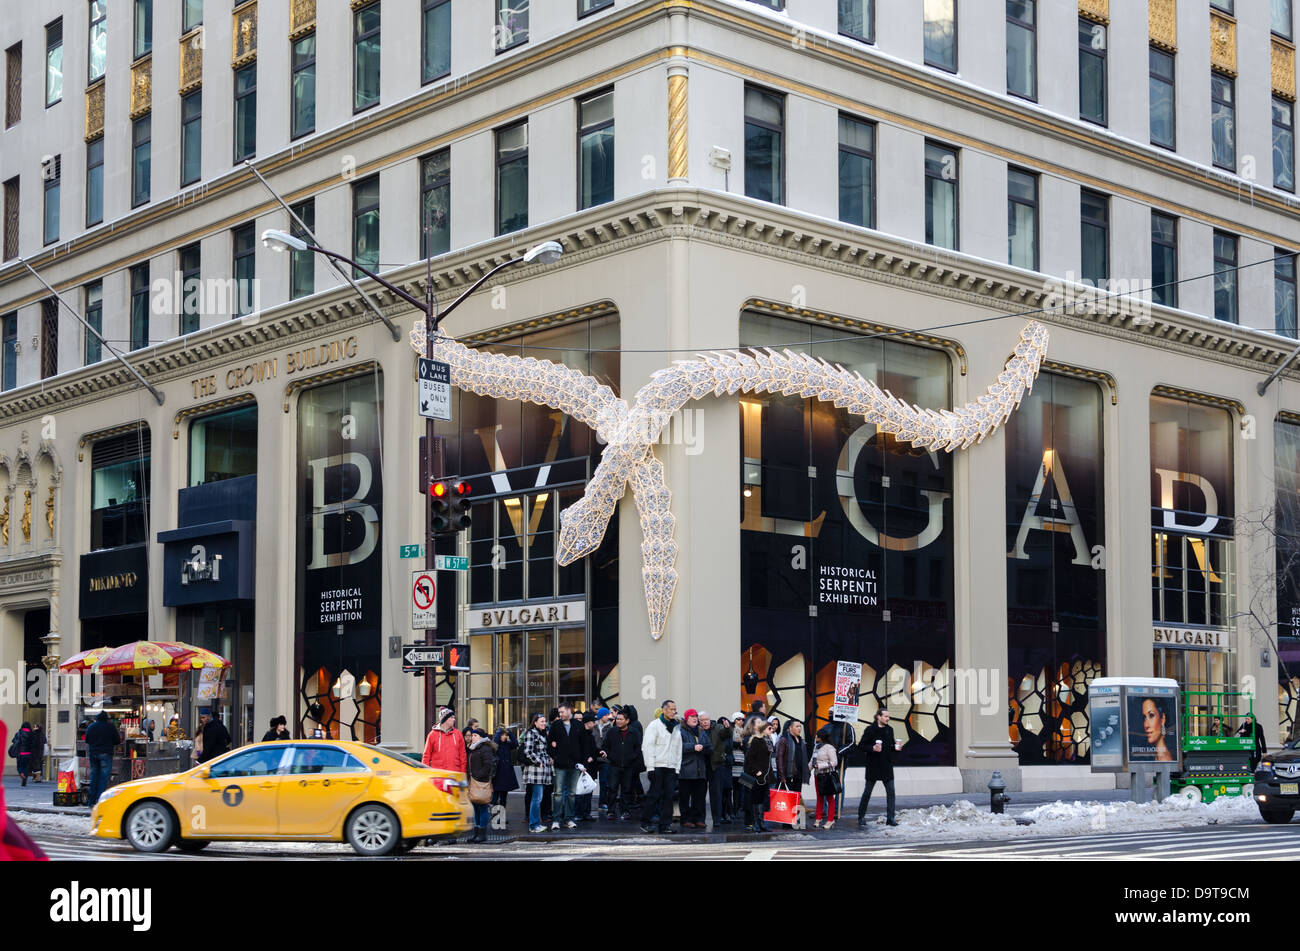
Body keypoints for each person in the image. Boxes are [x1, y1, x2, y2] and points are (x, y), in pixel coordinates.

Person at [547, 704, 593, 830]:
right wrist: (555, 755)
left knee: (572, 793)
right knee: (558, 793)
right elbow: (549, 744)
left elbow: (585, 745)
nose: (560, 714)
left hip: (575, 765)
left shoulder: (578, 726)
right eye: (559, 712)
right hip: (559, 765)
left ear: (569, 711)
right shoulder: (555, 726)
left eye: (562, 712)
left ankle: (569, 819)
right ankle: (556, 819)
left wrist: (583, 763)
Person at [640, 700, 682, 834]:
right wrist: (650, 767)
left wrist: (677, 769)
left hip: (670, 766)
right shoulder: (654, 726)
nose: (674, 711)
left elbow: (678, 749)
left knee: (669, 797)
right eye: (671, 709)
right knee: (654, 796)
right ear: (663, 710)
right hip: (657, 766)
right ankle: (645, 823)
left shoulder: (676, 727)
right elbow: (647, 747)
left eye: (675, 709)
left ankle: (665, 825)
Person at [858, 708, 899, 828]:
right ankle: (861, 817)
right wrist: (872, 748)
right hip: (873, 765)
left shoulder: (889, 730)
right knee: (867, 792)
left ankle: (890, 819)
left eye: (888, 717)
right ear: (878, 717)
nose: (888, 719)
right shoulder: (870, 730)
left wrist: (896, 747)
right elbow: (861, 746)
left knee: (891, 792)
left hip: (887, 765)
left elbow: (891, 745)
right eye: (885, 716)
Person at [602, 708, 641, 820]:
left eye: (620, 719)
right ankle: (611, 811)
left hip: (629, 766)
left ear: (627, 721)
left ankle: (625, 811)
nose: (618, 721)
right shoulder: (612, 732)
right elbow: (605, 746)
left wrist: (632, 758)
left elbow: (638, 748)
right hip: (614, 765)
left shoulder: (634, 732)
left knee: (626, 789)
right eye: (617, 719)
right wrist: (609, 756)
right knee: (612, 789)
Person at [677, 709, 712, 829]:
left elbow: (709, 746)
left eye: (696, 716)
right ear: (686, 718)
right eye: (692, 716)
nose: (695, 718)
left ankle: (699, 819)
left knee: (700, 797)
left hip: (700, 770)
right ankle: (686, 819)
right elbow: (678, 747)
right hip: (686, 770)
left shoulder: (701, 732)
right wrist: (693, 747)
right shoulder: (680, 731)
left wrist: (704, 748)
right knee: (685, 798)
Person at [520, 713, 554, 833]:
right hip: (535, 771)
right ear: (535, 722)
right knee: (537, 798)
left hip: (542, 770)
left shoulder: (541, 733)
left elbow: (543, 750)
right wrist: (538, 761)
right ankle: (534, 825)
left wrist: (549, 758)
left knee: (538, 798)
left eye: (545, 721)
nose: (544, 723)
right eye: (541, 721)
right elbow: (528, 751)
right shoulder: (531, 733)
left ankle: (535, 824)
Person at [743, 718, 775, 832]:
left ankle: (761, 822)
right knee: (755, 799)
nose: (772, 730)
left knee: (763, 799)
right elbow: (749, 759)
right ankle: (756, 822)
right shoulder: (756, 740)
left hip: (766, 775)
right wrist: (756, 771)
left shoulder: (768, 741)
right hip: (757, 775)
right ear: (763, 729)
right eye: (769, 728)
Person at [84, 712, 121, 806]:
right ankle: (100, 802)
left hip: (93, 754)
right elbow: (117, 740)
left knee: (94, 777)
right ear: (106, 719)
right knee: (103, 779)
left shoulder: (91, 726)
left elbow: (87, 740)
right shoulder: (110, 727)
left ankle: (91, 801)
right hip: (106, 754)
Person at [467, 729, 497, 844]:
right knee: (475, 807)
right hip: (473, 781)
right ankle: (476, 833)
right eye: (472, 735)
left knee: (482, 807)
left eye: (475, 735)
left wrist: (477, 776)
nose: (472, 737)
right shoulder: (473, 748)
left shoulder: (485, 748)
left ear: (481, 737)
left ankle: (482, 834)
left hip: (481, 782)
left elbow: (488, 765)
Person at [810, 726, 839, 829]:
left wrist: (820, 765)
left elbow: (834, 762)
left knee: (829, 798)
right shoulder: (816, 746)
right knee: (819, 797)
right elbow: (812, 760)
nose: (815, 737)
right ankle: (818, 818)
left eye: (817, 736)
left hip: (827, 775)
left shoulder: (829, 748)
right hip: (817, 775)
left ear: (820, 737)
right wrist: (808, 770)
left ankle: (830, 820)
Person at [707, 713, 734, 826]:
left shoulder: (720, 731)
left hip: (720, 765)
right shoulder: (700, 730)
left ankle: (720, 817)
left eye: (706, 720)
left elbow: (727, 734)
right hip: (705, 764)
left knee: (721, 793)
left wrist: (727, 728)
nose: (705, 722)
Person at [422, 707, 467, 773]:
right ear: (444, 719)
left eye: (454, 717)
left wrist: (463, 773)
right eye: (451, 717)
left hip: (454, 774)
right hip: (437, 774)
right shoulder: (432, 735)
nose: (454, 719)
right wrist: (425, 773)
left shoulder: (458, 734)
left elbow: (463, 756)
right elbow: (426, 756)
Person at [775, 719, 809, 796]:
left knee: (796, 798)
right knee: (787, 799)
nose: (799, 728)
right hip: (788, 776)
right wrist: (782, 775)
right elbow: (779, 758)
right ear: (790, 728)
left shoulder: (801, 741)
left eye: (800, 726)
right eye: (797, 726)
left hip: (799, 775)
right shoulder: (784, 740)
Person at [491, 727, 519, 822]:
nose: (504, 737)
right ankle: (495, 816)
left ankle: (501, 818)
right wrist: (499, 733)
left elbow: (516, 744)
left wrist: (510, 733)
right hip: (497, 775)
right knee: (495, 797)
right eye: (502, 735)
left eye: (505, 735)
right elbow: (494, 743)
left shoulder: (507, 744)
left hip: (506, 774)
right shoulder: (495, 745)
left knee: (503, 798)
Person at [11, 722, 37, 787]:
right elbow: (33, 744)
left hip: (20, 753)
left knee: (19, 766)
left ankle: (21, 774)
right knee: (26, 766)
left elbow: (13, 741)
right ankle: (25, 776)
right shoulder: (31, 734)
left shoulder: (18, 733)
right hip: (28, 753)